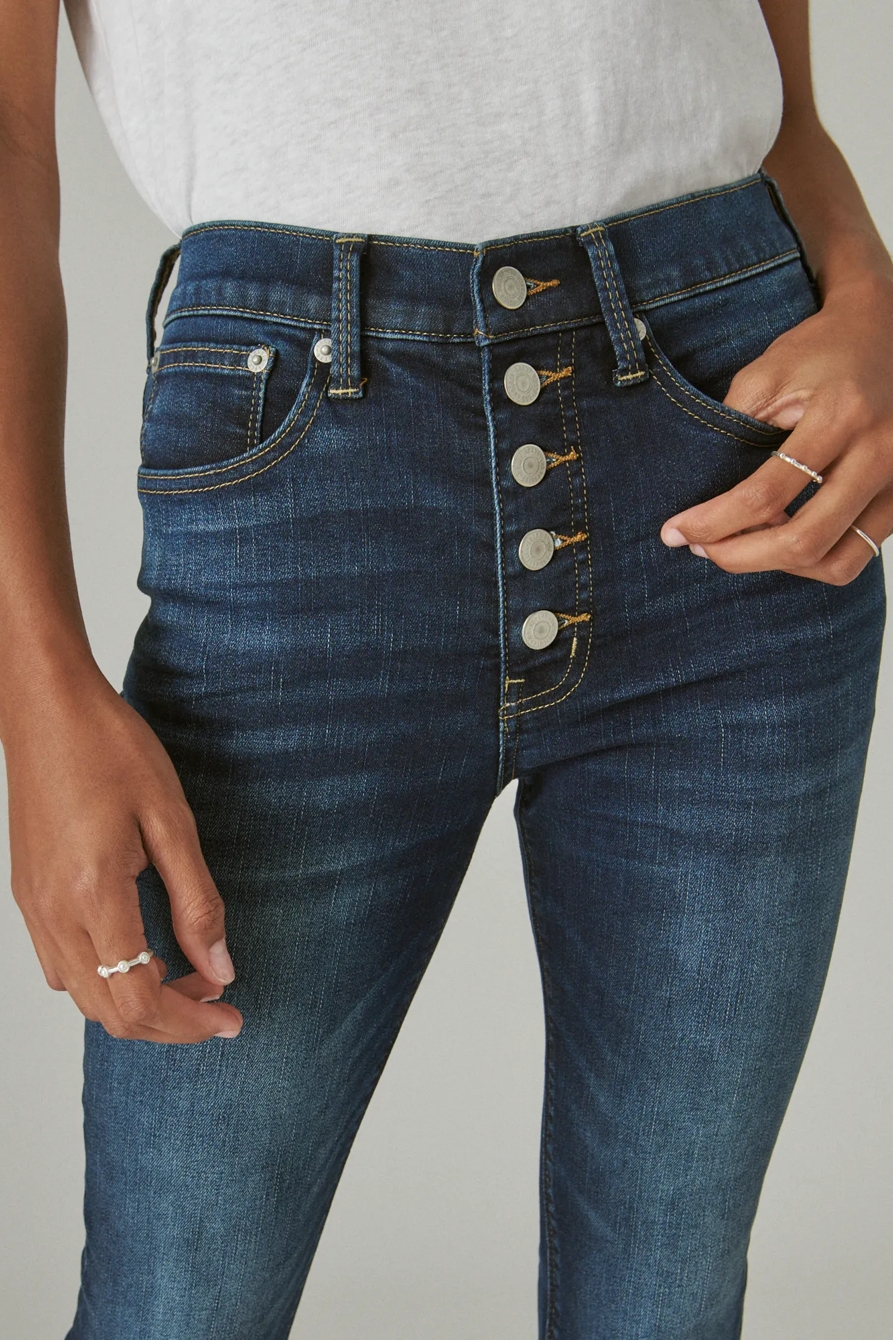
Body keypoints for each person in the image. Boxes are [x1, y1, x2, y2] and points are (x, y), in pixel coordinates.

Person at [1, 1, 889, 1335]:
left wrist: (869, 296)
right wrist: (36, 694)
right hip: (302, 486)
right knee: (177, 1305)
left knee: (666, 1298)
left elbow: (780, 97)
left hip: (728, 427)